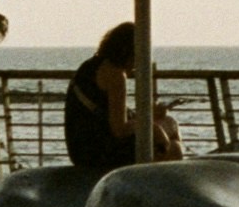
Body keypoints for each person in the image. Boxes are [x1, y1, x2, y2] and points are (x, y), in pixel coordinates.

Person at [65, 22, 183, 173]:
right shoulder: (115, 75)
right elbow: (119, 129)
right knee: (174, 145)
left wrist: (148, 117)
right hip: (99, 155)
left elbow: (106, 114)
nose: (136, 65)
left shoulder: (89, 66)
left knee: (168, 123)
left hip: (81, 150)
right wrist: (152, 127)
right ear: (128, 51)